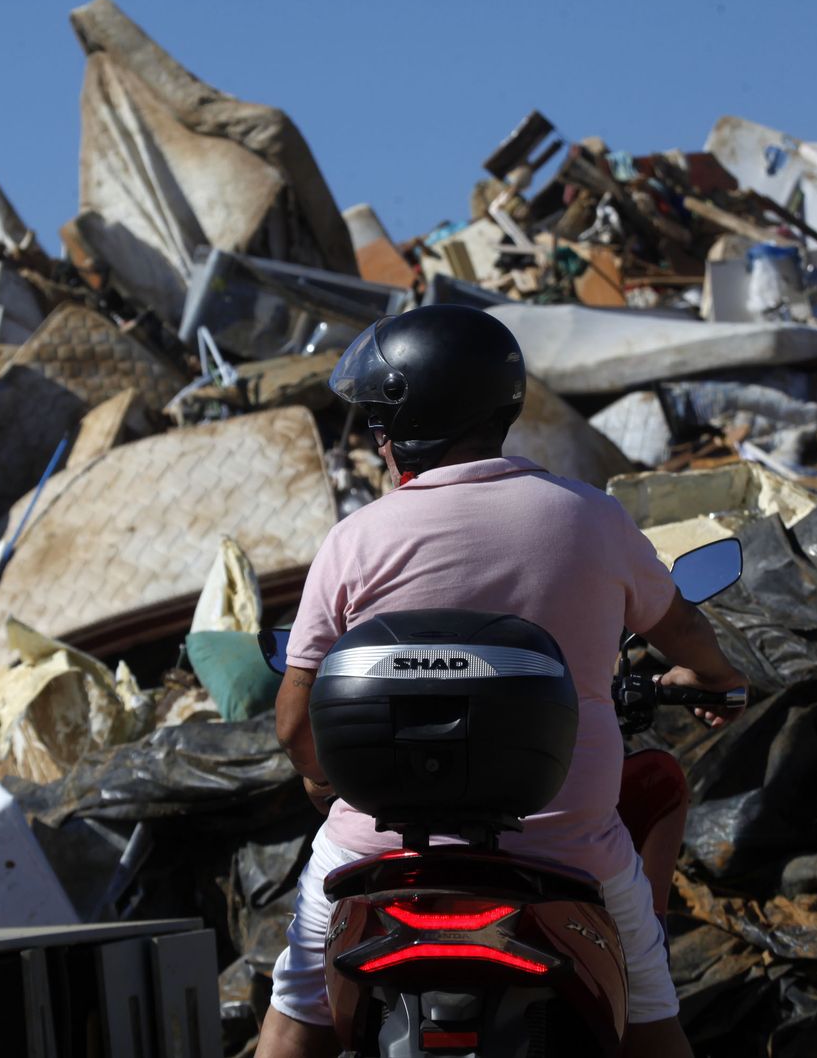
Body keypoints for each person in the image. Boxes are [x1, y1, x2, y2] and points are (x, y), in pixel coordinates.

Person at [258, 305, 747, 1058]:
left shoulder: (355, 540)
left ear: (408, 422)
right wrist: (714, 674)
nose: (378, 439)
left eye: (381, 420)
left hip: (376, 854)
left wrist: (324, 781)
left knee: (295, 1020)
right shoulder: (591, 518)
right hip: (569, 849)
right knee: (651, 1022)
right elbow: (679, 627)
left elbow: (296, 724)